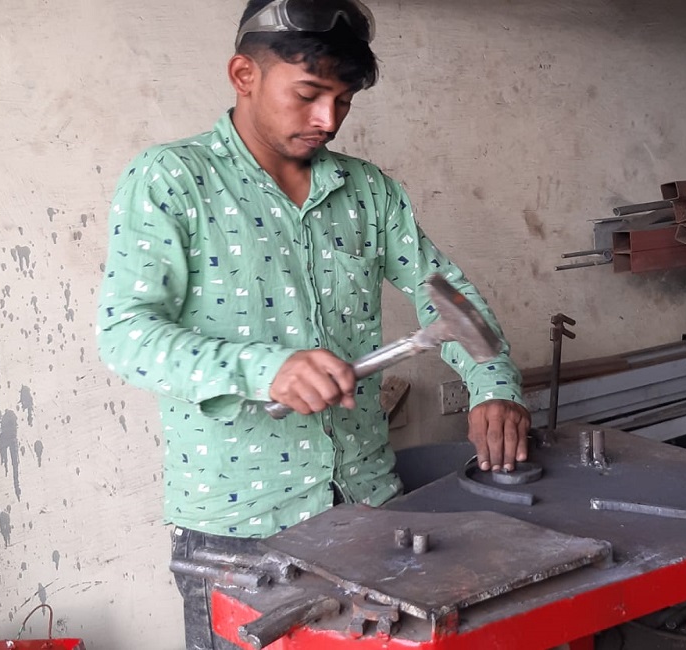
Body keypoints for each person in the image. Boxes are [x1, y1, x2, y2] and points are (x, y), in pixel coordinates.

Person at [95, 0, 531, 647]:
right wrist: (263, 369)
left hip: (370, 506)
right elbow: (126, 334)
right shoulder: (172, 179)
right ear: (244, 75)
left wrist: (493, 385)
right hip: (241, 531)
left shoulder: (369, 191)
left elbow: (446, 294)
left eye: (343, 101)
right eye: (308, 95)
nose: (327, 119)